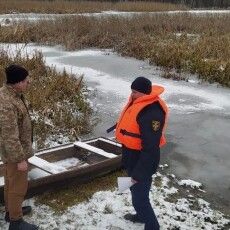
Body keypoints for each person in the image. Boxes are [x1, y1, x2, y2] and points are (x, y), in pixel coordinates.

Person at [115, 76, 168, 230]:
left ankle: (152, 227)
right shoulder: (139, 101)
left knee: (140, 199)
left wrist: (139, 173)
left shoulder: (152, 112)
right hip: (132, 156)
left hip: (142, 161)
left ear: (145, 93)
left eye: (135, 92)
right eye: (131, 91)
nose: (132, 95)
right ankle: (140, 216)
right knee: (135, 191)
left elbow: (150, 148)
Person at [0, 64, 38, 230]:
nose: (28, 82)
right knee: (18, 186)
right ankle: (16, 222)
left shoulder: (12, 94)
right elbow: (9, 135)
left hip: (13, 152)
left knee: (10, 182)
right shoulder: (7, 102)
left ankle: (11, 212)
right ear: (15, 83)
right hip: (15, 153)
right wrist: (20, 159)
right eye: (24, 80)